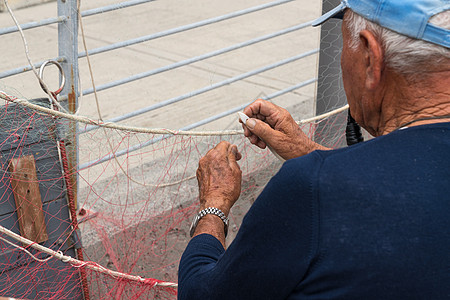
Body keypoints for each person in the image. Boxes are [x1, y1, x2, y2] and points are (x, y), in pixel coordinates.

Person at [178, 0, 450, 299]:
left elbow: (201, 294)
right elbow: (411, 181)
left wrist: (213, 205)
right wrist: (305, 149)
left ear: (372, 58)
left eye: (345, 45)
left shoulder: (312, 188)